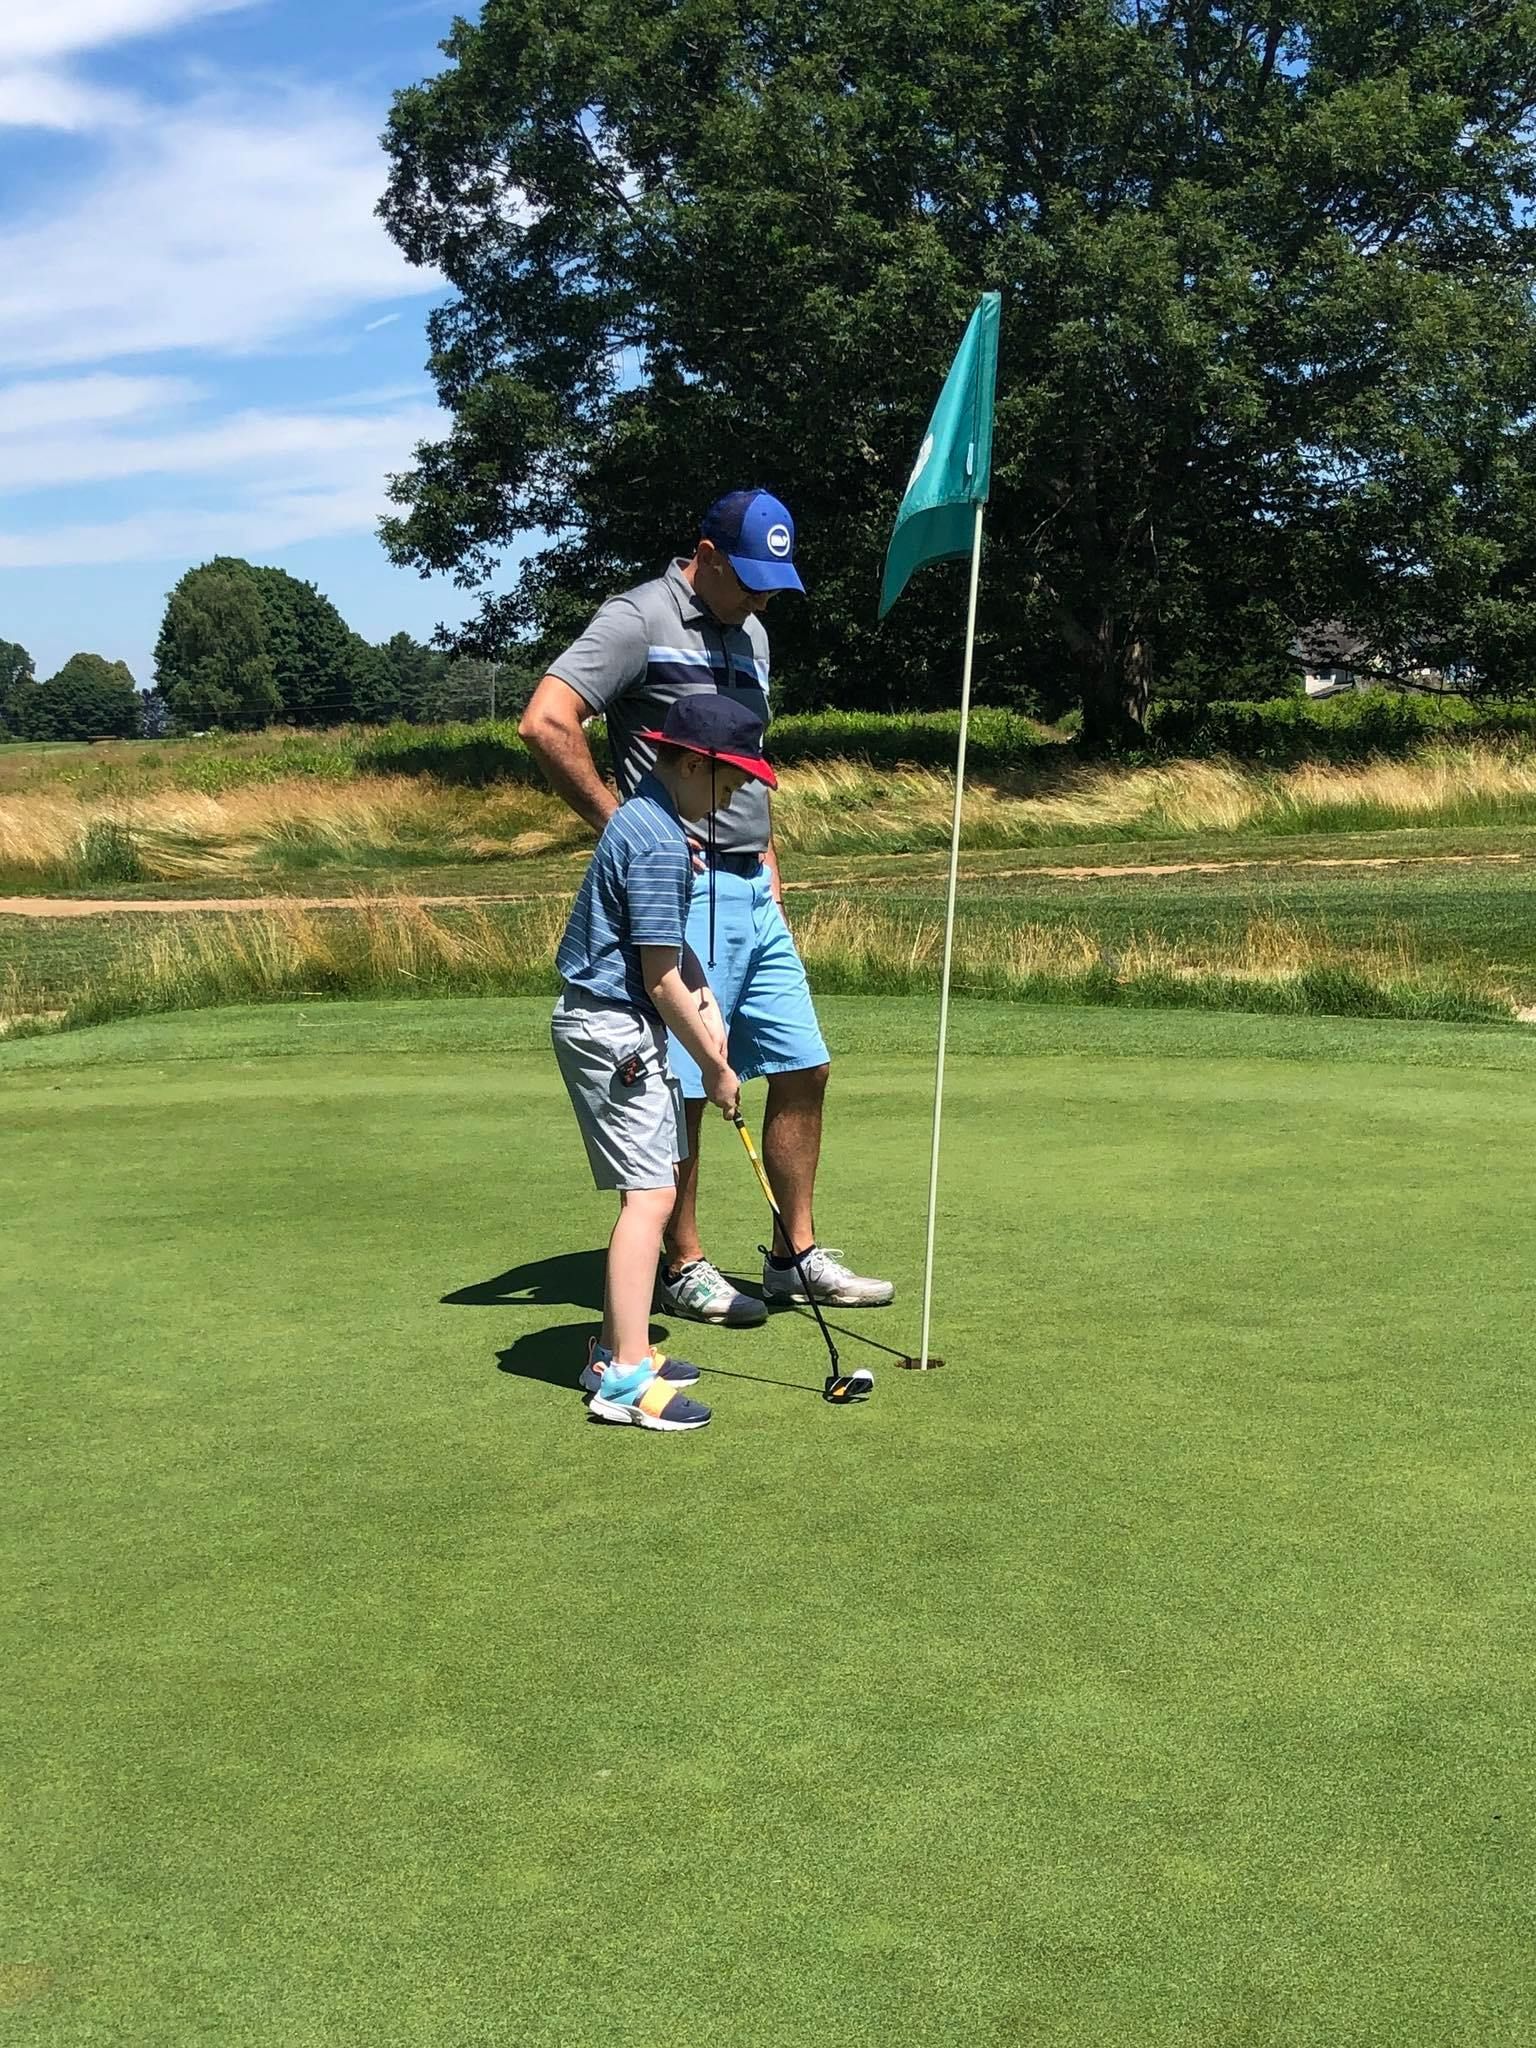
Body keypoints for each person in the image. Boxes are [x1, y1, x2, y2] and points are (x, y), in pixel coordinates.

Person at [521, 487, 894, 1327]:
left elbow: (749, 756)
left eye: (775, 581)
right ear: (707, 554)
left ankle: (793, 1257)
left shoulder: (754, 631)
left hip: (753, 888)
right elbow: (546, 722)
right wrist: (631, 834)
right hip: (680, 886)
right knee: (687, 1079)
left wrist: (770, 860)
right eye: (752, 577)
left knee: (805, 1063)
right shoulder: (636, 619)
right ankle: (685, 1263)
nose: (764, 597)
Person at [551, 695, 778, 1431]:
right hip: (612, 1030)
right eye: (730, 782)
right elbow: (656, 977)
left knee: (649, 1190)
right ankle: (622, 1379)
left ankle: (626, 1348)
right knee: (648, 1199)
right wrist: (716, 1066)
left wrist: (709, 1011)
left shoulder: (648, 820)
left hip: (617, 1026)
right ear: (689, 764)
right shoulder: (656, 843)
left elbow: (674, 954)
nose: (736, 795)